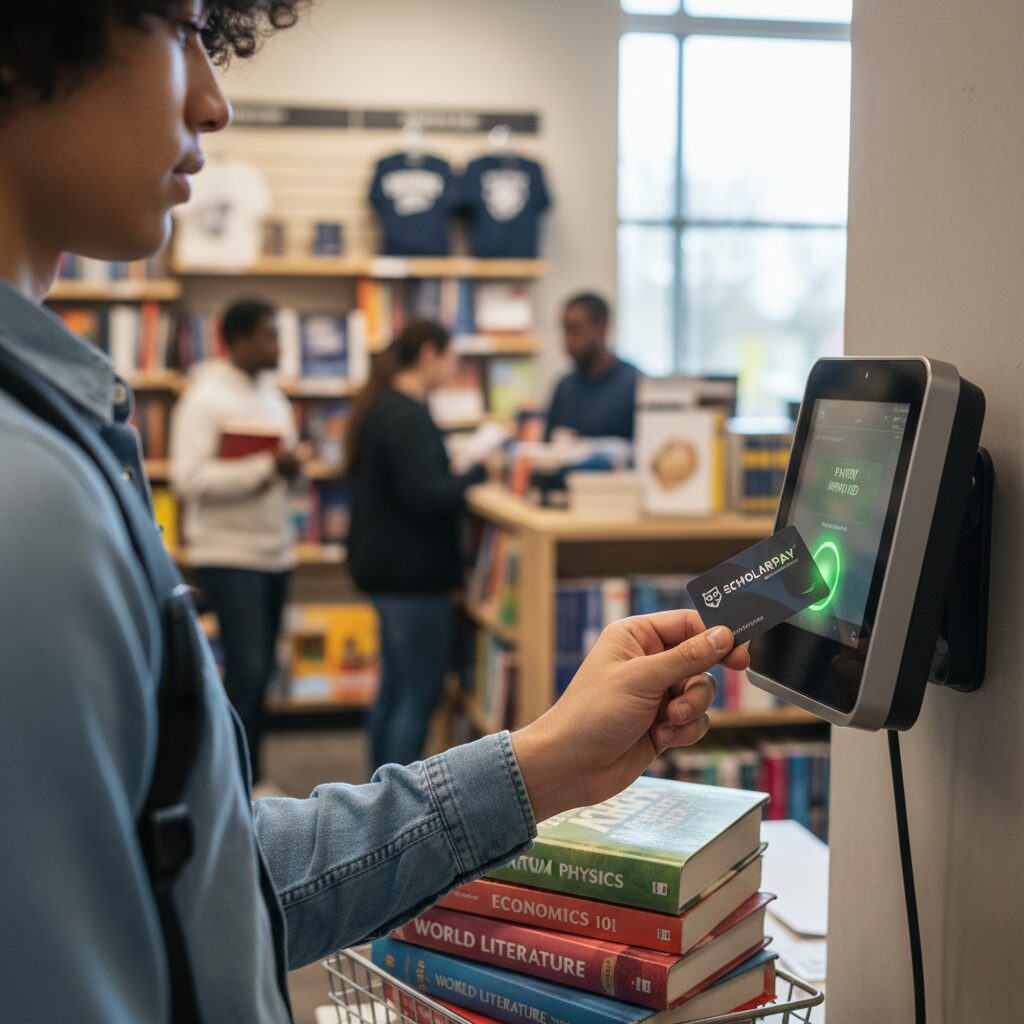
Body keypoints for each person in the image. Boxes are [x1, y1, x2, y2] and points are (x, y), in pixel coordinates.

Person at [0, 4, 749, 1022]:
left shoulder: (63, 443)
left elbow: (206, 887)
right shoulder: (28, 497)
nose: (213, 102)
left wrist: (541, 762)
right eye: (179, 29)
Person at [169, 298, 304, 788]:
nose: (279, 346)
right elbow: (189, 480)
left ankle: (252, 775)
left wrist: (291, 469)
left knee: (262, 672)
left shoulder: (275, 398)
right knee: (244, 671)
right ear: (239, 339)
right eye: (270, 335)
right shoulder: (203, 398)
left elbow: (281, 472)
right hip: (227, 554)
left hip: (275, 551)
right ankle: (228, 783)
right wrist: (265, 467)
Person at [345, 318, 484, 771]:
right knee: (418, 693)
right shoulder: (402, 414)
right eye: (450, 357)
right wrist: (473, 475)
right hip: (410, 576)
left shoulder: (387, 407)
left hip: (391, 571)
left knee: (395, 688)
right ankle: (394, 806)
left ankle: (376, 795)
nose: (453, 367)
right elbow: (425, 496)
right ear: (428, 353)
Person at [545, 292, 641, 442]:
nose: (567, 341)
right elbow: (549, 446)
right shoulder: (564, 388)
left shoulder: (634, 385)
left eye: (575, 330)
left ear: (602, 327)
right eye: (565, 330)